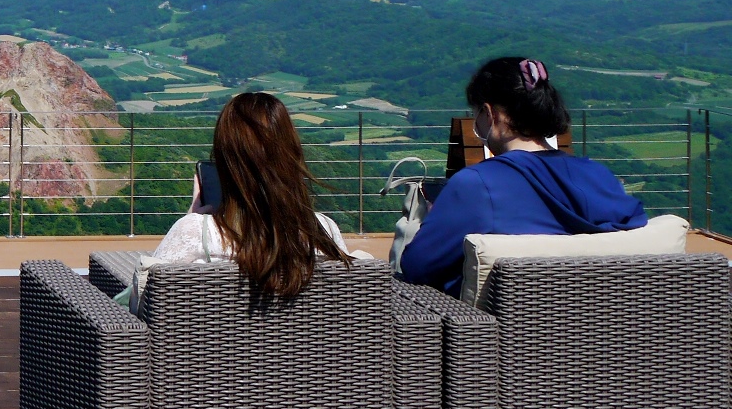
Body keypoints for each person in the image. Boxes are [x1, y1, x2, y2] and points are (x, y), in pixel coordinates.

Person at [399, 56, 646, 294]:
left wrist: (440, 217)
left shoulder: (478, 185)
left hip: (494, 330)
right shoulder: (600, 176)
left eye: (476, 113)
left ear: (489, 113)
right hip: (603, 324)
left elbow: (417, 267)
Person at [130, 90, 362, 307]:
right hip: (312, 349)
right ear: (291, 152)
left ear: (225, 161)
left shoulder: (196, 234)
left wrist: (192, 218)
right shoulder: (323, 230)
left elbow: (144, 308)